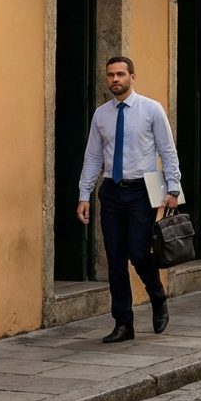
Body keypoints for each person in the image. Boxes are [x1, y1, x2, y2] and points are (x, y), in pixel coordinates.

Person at [76, 56, 181, 343]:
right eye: (110, 74)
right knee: (115, 259)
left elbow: (167, 150)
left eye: (120, 74)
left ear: (132, 77)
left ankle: (157, 296)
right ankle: (123, 323)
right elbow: (93, 156)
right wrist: (84, 194)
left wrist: (173, 188)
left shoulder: (151, 109)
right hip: (111, 190)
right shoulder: (101, 115)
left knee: (139, 252)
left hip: (141, 191)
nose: (115, 79)